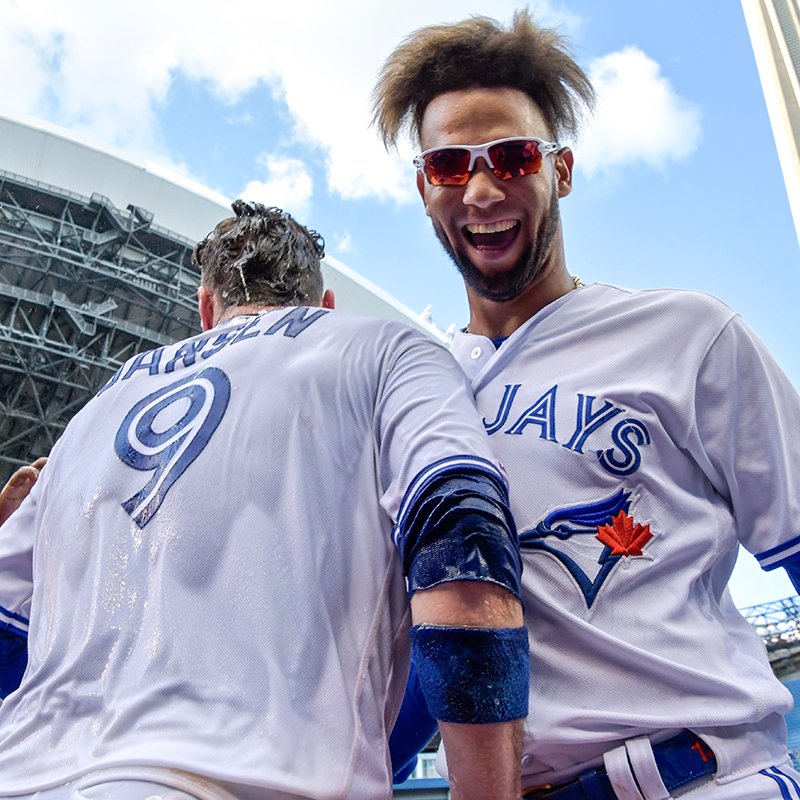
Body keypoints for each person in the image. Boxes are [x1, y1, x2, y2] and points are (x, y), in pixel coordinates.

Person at [373, 10, 800, 799]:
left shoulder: (688, 336)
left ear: (560, 170)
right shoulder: (409, 401)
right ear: (423, 188)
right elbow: (417, 665)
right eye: (448, 165)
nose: (481, 187)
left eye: (512, 155)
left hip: (702, 778)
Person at [0, 201, 529, 800]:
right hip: (251, 781)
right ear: (325, 305)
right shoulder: (384, 348)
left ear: (205, 308)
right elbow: (461, 538)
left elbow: (5, 634)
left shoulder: (95, 412)